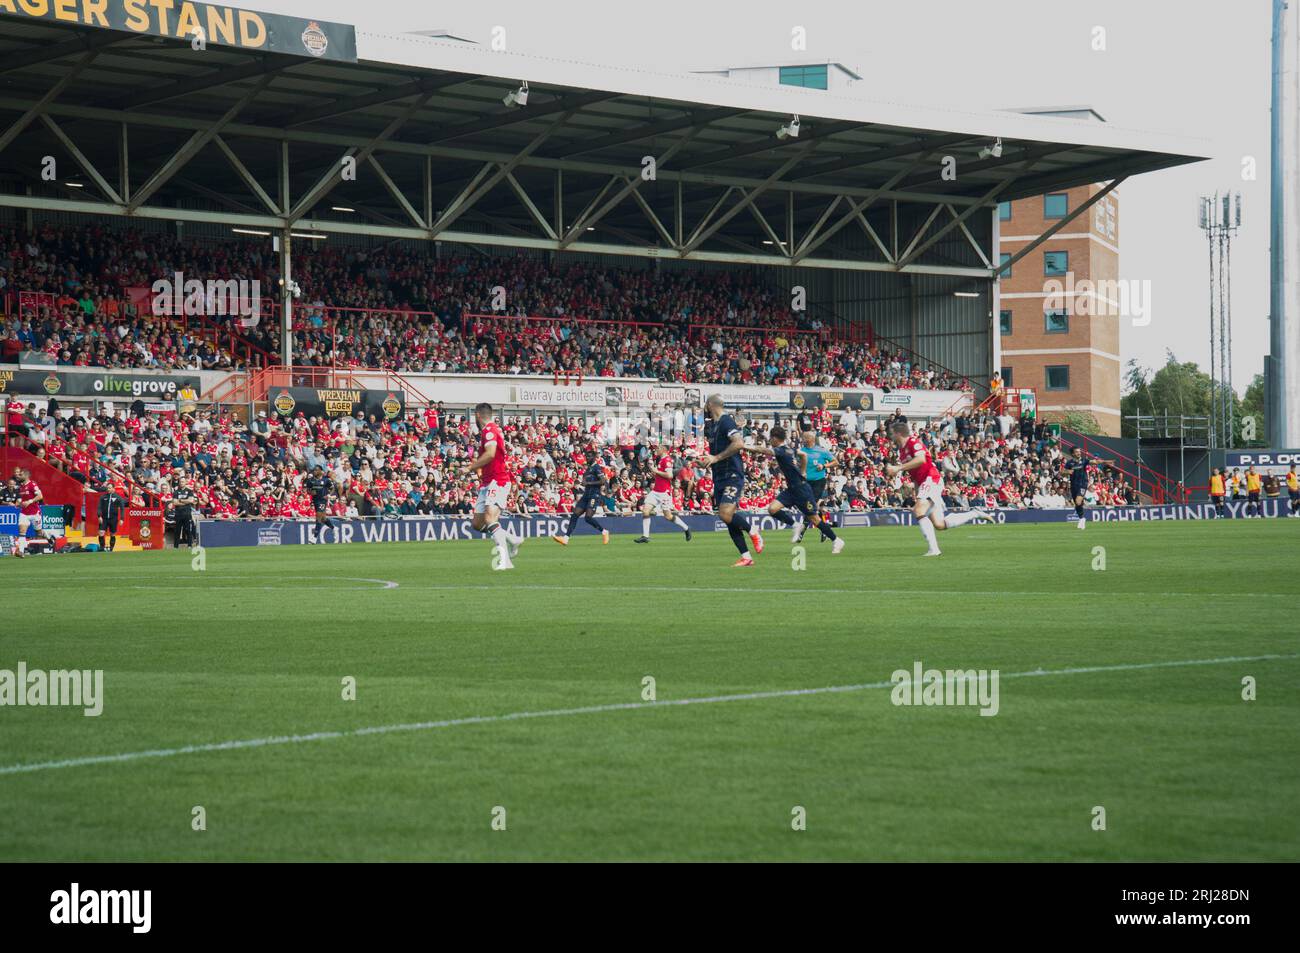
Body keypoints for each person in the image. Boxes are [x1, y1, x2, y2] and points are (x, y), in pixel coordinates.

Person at [884, 421, 992, 556]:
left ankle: (934, 550)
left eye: (892, 433)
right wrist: (917, 494)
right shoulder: (901, 451)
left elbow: (921, 459)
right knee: (940, 524)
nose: (891, 436)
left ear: (899, 433)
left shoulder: (913, 442)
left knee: (918, 510)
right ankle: (975, 513)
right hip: (924, 483)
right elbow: (915, 474)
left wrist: (898, 468)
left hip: (931, 478)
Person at [744, 426, 843, 553]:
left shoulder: (781, 450)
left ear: (774, 438)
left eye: (771, 438)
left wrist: (745, 446)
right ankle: (796, 525)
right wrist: (803, 471)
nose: (770, 441)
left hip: (802, 490)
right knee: (772, 509)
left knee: (814, 519)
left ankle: (836, 540)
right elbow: (804, 455)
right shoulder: (790, 449)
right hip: (792, 489)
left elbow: (763, 450)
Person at [699, 393, 762, 566]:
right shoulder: (712, 426)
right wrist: (705, 461)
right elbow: (714, 455)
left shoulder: (726, 421)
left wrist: (716, 458)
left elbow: (738, 443)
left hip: (732, 474)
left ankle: (753, 530)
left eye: (706, 405)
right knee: (728, 517)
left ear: (711, 404)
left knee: (725, 514)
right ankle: (746, 557)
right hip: (719, 476)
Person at [465, 402, 522, 570]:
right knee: (478, 523)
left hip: (498, 480)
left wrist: (469, 467)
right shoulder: (488, 431)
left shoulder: (490, 430)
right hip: (488, 482)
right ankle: (512, 539)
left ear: (477, 415)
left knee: (490, 519)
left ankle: (505, 561)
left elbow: (490, 454)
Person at [633, 444, 692, 544]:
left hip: (664, 492)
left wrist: (656, 471)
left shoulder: (667, 460)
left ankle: (686, 528)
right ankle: (645, 536)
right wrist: (654, 473)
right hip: (656, 491)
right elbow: (661, 475)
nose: (657, 449)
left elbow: (669, 475)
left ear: (664, 450)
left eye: (659, 448)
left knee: (668, 516)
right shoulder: (661, 459)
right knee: (645, 511)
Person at [554, 447, 611, 546]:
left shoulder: (597, 467)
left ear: (594, 458)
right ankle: (566, 538)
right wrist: (584, 483)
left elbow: (602, 481)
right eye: (586, 456)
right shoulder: (588, 469)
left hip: (594, 495)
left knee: (588, 517)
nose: (587, 458)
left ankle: (604, 532)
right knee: (575, 514)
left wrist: (588, 483)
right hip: (586, 495)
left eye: (589, 456)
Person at [1063, 445, 1113, 530]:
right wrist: (1067, 471)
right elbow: (1063, 472)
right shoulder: (1069, 463)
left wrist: (1105, 461)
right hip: (1074, 484)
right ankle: (1082, 518)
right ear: (1072, 454)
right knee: (1076, 503)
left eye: (1079, 451)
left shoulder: (1084, 461)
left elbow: (1095, 462)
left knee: (1078, 502)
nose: (1079, 453)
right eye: (1077, 452)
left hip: (1083, 483)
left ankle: (1082, 518)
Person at [12, 467, 44, 558]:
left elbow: (40, 496)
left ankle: (49, 539)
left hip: (34, 512)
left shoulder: (32, 484)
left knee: (39, 532)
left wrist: (29, 501)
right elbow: (20, 499)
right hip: (24, 513)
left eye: (21, 474)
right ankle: (21, 552)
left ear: (26, 475)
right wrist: (18, 504)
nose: (19, 475)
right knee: (22, 531)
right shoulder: (21, 487)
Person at [97, 482, 127, 552]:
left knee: (112, 534)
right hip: (104, 518)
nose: (108, 489)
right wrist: (99, 516)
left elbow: (122, 509)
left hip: (113, 519)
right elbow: (99, 507)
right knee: (101, 532)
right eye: (107, 488)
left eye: (110, 488)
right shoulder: (103, 497)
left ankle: (111, 548)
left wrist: (122, 519)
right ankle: (102, 548)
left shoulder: (118, 497)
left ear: (113, 489)